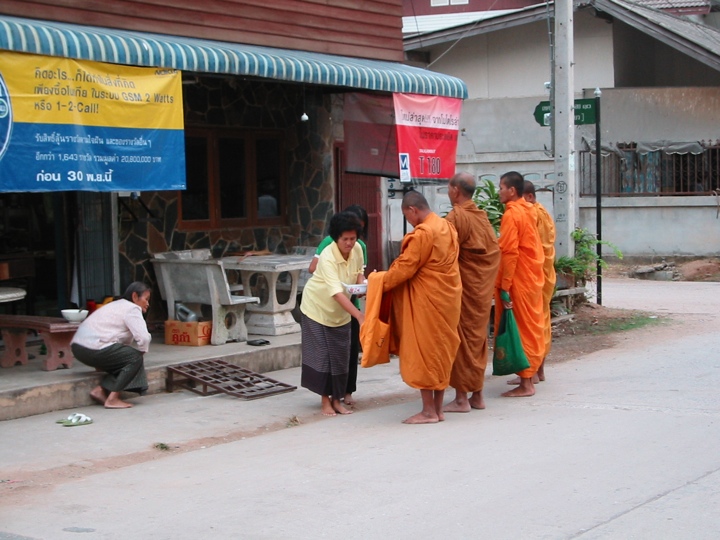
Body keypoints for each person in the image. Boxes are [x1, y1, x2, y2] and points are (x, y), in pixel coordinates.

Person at [380, 190, 462, 424]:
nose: (409, 221)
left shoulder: (424, 233)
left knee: (425, 351)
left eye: (407, 216)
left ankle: (428, 412)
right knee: (441, 350)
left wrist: (377, 282)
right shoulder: (447, 227)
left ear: (412, 210)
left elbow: (405, 268)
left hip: (428, 302)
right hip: (448, 300)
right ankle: (437, 409)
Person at [442, 172, 500, 413]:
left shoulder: (458, 217)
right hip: (482, 290)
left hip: (465, 289)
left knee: (463, 341)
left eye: (449, 187)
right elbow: (494, 253)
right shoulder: (482, 217)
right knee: (477, 340)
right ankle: (477, 395)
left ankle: (461, 399)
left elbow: (444, 252)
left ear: (455, 190)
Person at [300, 211, 366, 417]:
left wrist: (364, 286)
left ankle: (337, 400)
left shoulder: (357, 250)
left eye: (352, 238)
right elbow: (336, 293)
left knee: (341, 356)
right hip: (316, 309)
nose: (349, 243)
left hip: (340, 313)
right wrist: (359, 315)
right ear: (336, 238)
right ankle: (324, 402)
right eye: (344, 239)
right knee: (323, 356)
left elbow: (358, 275)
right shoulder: (327, 256)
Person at [495, 171, 546, 397]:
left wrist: (505, 284)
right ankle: (528, 374)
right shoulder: (528, 210)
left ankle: (526, 383)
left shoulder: (512, 215)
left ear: (511, 190)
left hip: (518, 279)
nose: (499, 192)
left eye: (501, 188)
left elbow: (510, 252)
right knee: (529, 325)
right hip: (531, 276)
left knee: (521, 327)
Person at [70, 282, 152, 409]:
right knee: (134, 358)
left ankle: (100, 391)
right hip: (93, 349)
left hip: (78, 349)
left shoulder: (116, 305)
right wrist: (141, 352)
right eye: (146, 299)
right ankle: (113, 399)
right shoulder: (132, 308)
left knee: (127, 360)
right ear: (135, 296)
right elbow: (144, 338)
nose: (148, 304)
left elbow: (116, 341)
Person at [506, 180, 556, 385]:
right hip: (541, 273)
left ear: (529, 197)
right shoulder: (539, 212)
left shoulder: (534, 213)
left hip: (535, 274)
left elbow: (529, 245)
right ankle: (538, 370)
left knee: (533, 322)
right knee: (539, 320)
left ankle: (533, 371)